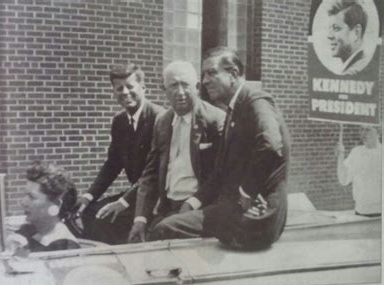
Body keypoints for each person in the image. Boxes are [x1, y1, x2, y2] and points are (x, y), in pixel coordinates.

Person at [144, 47, 290, 251]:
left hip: (256, 217)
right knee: (163, 224)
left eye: (211, 72)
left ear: (234, 74)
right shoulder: (233, 109)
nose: (204, 81)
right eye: (203, 74)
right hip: (231, 208)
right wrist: (193, 202)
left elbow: (271, 145)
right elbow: (221, 172)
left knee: (164, 229)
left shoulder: (256, 100)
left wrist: (247, 191)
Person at [128, 60, 225, 243]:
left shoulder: (215, 120)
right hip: (167, 207)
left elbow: (220, 174)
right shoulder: (162, 122)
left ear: (196, 87)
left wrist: (193, 202)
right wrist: (140, 219)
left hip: (199, 207)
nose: (180, 93)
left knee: (161, 235)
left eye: (185, 85)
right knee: (135, 237)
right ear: (164, 90)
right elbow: (150, 174)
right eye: (173, 86)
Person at [74, 64, 164, 244]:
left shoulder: (159, 118)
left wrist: (123, 201)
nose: (124, 92)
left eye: (130, 86)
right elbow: (112, 164)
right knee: (88, 211)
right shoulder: (119, 121)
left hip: (155, 196)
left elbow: (154, 173)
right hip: (134, 194)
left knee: (106, 220)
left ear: (143, 88)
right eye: (119, 88)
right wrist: (89, 196)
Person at [6, 161, 80, 253]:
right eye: (25, 194)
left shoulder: (65, 246)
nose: (23, 202)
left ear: (56, 205)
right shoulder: (28, 230)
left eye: (32, 197)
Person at [336, 126, 381, 216]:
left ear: (378, 134)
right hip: (362, 210)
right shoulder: (356, 152)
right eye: (362, 131)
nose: (365, 135)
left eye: (368, 131)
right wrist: (340, 157)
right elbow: (344, 179)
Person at [327, 0, 368, 75]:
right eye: (330, 29)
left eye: (336, 28)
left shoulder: (351, 72)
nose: (329, 36)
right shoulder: (361, 66)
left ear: (356, 33)